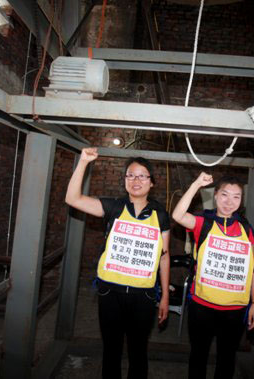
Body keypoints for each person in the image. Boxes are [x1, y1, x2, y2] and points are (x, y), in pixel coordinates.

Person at [65, 147, 170, 379]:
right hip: (110, 292)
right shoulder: (113, 206)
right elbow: (72, 199)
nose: (136, 180)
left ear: (152, 182)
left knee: (138, 351)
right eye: (130, 175)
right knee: (111, 349)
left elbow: (164, 256)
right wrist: (83, 162)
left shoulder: (160, 215)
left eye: (142, 176)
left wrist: (164, 296)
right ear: (124, 180)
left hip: (143, 295)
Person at [172, 172, 254, 379]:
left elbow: (253, 268)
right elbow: (177, 215)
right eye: (224, 195)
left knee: (227, 360)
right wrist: (196, 184)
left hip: (235, 310)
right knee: (198, 357)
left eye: (236, 197)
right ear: (216, 195)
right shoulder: (204, 222)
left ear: (241, 200)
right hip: (202, 307)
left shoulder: (246, 228)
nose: (229, 202)